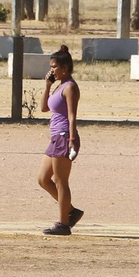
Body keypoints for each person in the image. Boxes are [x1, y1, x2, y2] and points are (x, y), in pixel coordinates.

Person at [37, 45, 82, 235]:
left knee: (60, 181)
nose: (51, 70)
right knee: (43, 179)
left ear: (64, 67)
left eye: (54, 66)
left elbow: (72, 116)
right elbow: (44, 108)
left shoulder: (70, 86)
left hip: (64, 136)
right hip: (55, 137)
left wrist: (72, 139)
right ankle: (70, 211)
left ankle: (64, 224)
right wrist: (48, 85)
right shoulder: (59, 86)